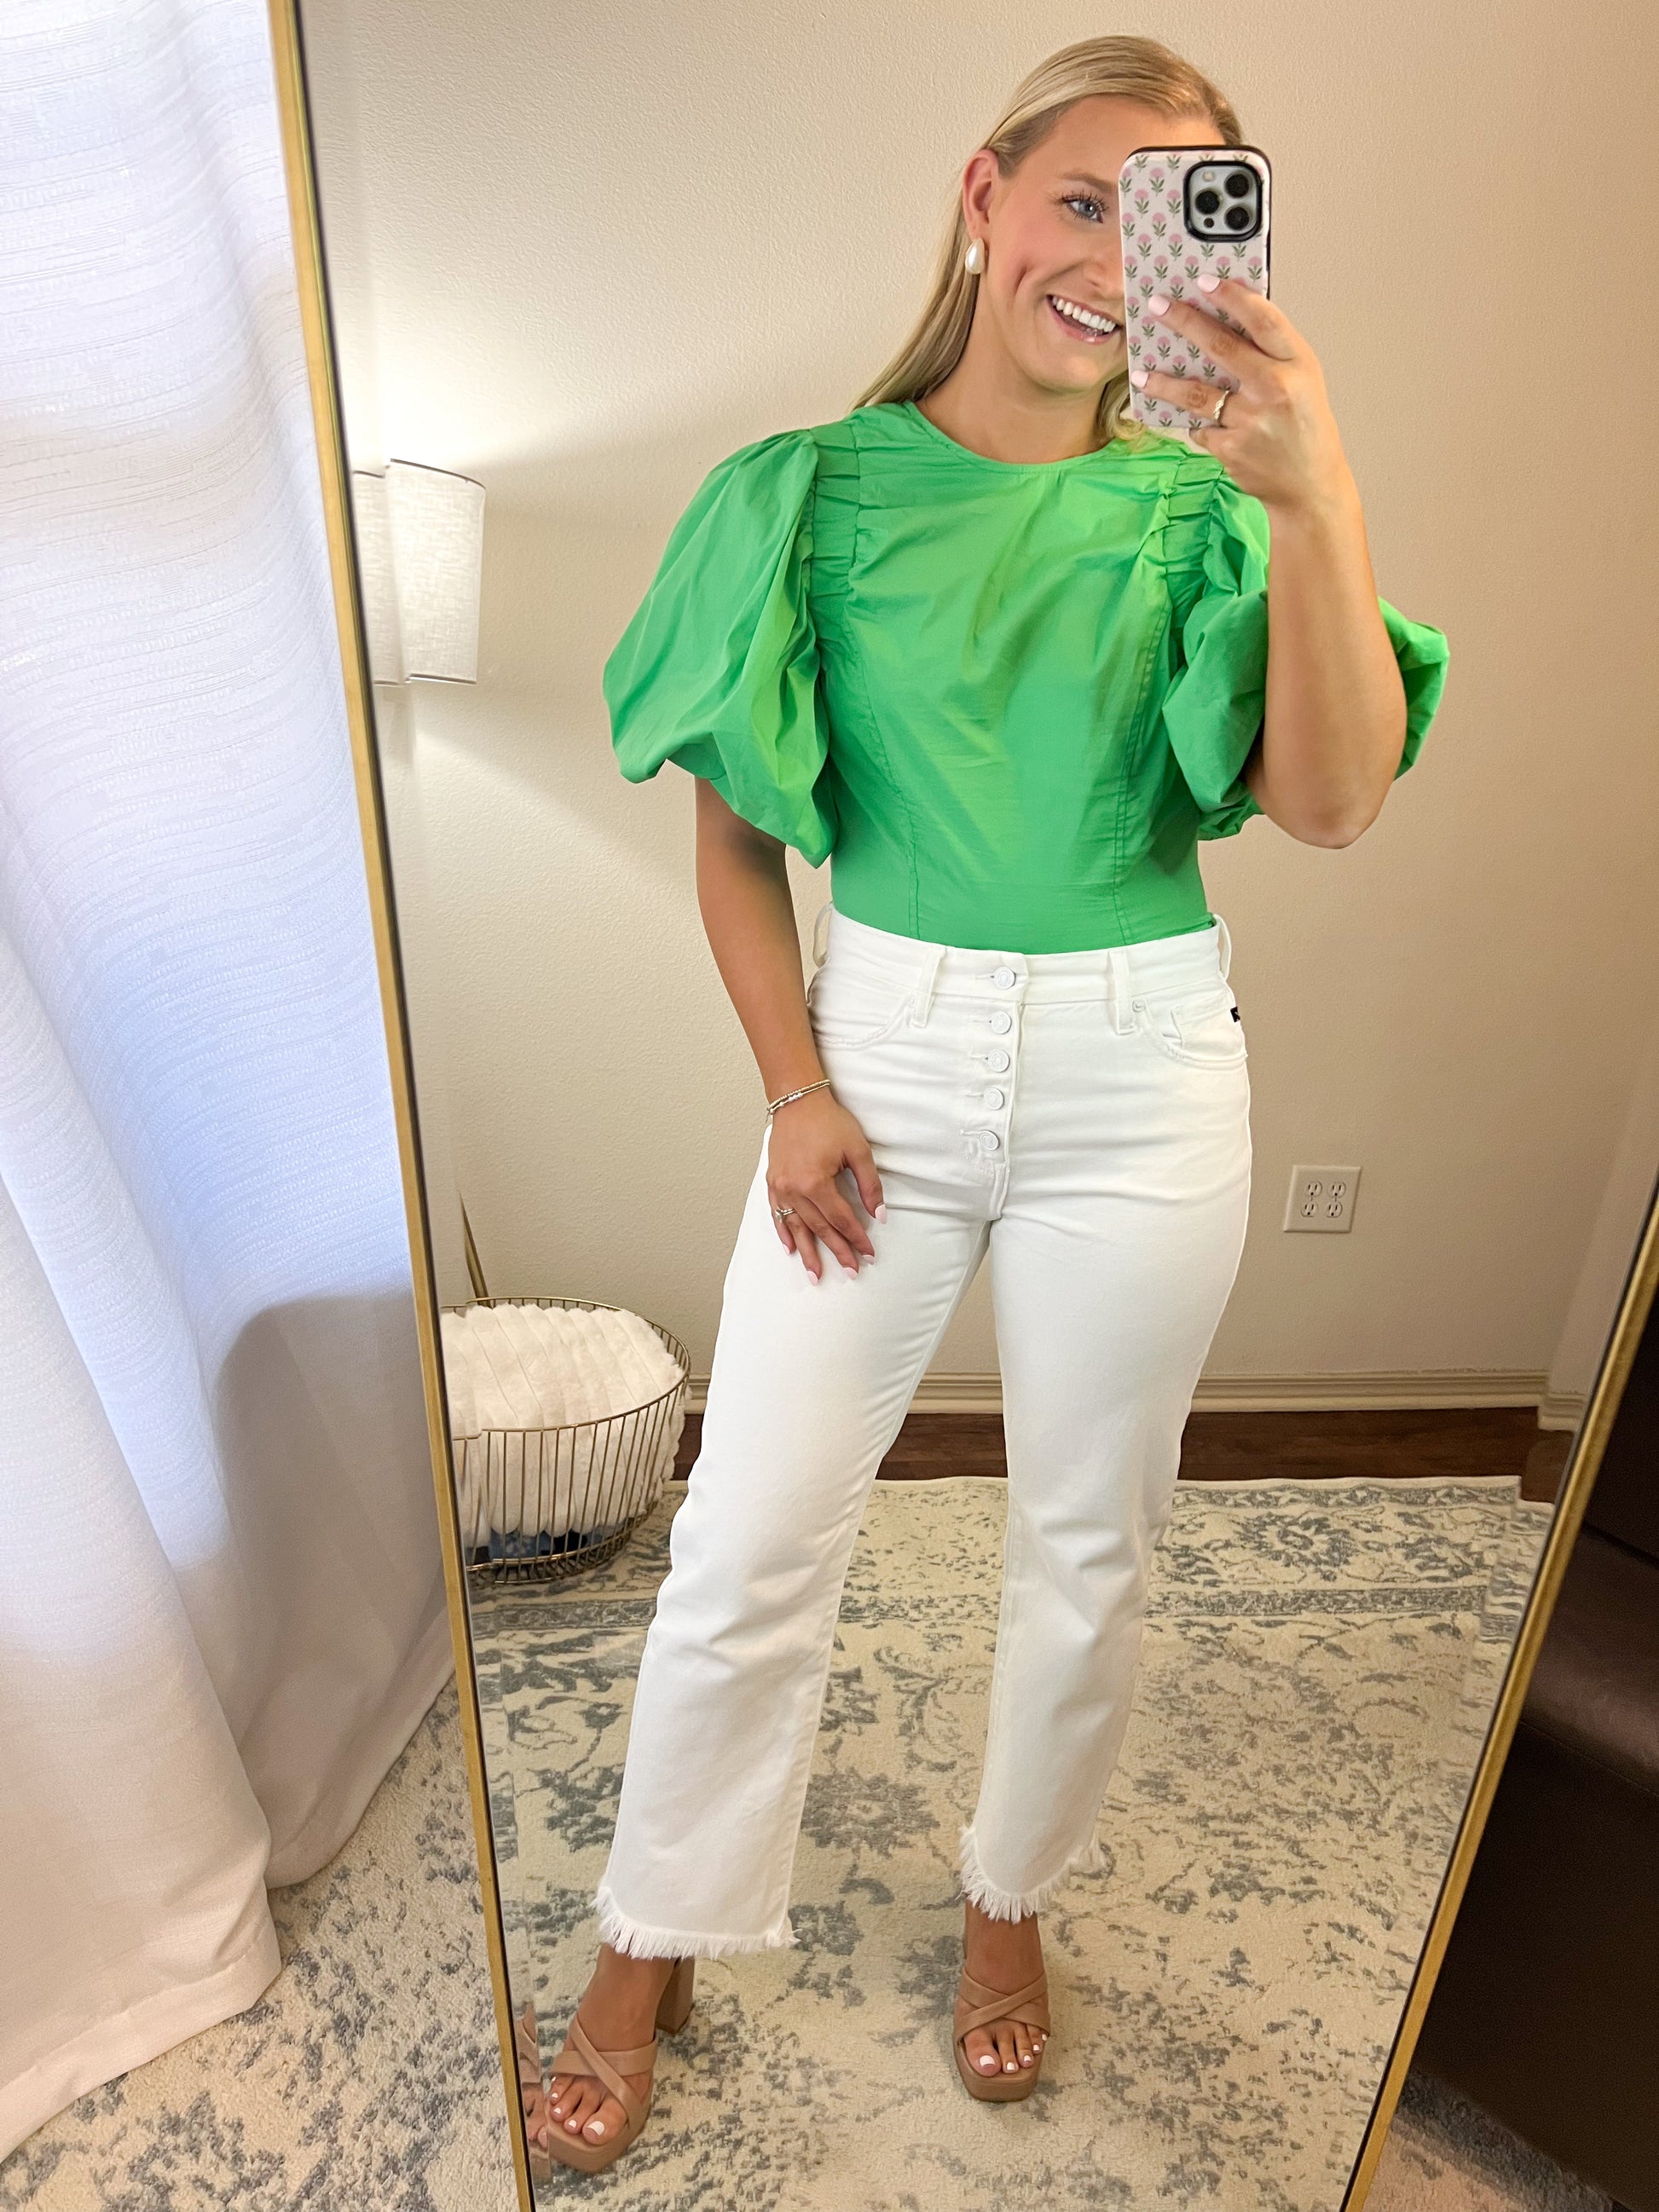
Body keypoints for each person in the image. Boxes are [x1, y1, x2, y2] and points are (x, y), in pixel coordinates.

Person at [535, 31, 1449, 2172]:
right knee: (747, 1533)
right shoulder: (806, 490)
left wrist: (1311, 488)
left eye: (1173, 220)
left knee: (1087, 1542)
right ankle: (651, 1929)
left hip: (1147, 1070)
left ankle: (1009, 1893)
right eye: (1081, 199)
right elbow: (733, 840)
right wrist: (794, 1086)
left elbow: (1330, 801)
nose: (1109, 258)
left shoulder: (1207, 509)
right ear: (984, 194)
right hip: (884, 1054)